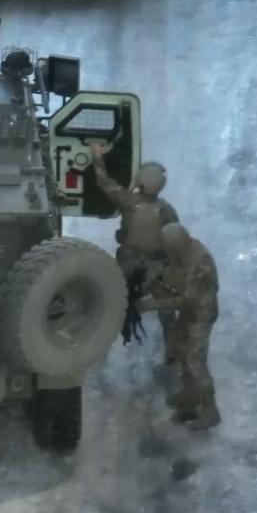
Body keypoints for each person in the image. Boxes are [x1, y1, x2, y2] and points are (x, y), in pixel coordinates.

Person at [88, 142, 180, 358]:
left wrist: (96, 155)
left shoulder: (128, 202)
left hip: (128, 265)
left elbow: (103, 181)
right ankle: (173, 353)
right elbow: (175, 240)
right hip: (157, 268)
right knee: (167, 311)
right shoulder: (167, 210)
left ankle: (96, 347)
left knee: (110, 302)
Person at [136, 223, 221, 430]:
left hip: (201, 314)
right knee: (182, 349)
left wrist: (153, 304)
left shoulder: (199, 262)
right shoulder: (182, 254)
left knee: (195, 360)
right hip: (189, 312)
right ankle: (190, 393)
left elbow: (187, 301)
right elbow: (171, 273)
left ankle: (210, 410)